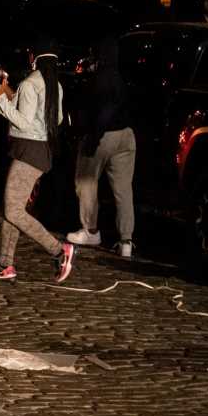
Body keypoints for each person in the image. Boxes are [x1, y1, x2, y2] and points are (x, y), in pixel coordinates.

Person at [0, 41, 76, 283]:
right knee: (14, 208)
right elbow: (58, 118)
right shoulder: (56, 85)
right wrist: (11, 97)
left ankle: (58, 250)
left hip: (27, 152)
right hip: (42, 151)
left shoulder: (31, 82)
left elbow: (22, 121)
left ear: (35, 58)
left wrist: (0, 101)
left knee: (12, 210)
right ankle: (5, 264)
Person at [69, 36, 135, 258]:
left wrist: (92, 138)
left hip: (104, 135)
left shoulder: (102, 78)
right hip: (126, 135)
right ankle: (126, 240)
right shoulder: (120, 77)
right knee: (123, 190)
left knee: (86, 181)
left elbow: (103, 112)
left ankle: (91, 230)